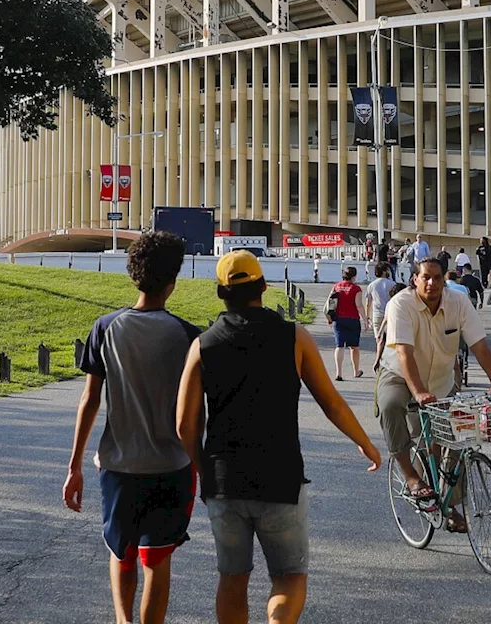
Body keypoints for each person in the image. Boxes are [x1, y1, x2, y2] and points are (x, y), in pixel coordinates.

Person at [176, 251, 381, 624]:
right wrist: (364, 442)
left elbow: (184, 424)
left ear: (221, 293)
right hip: (280, 478)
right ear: (264, 287)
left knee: (232, 579)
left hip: (224, 480)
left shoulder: (202, 345)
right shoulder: (294, 337)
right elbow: (330, 402)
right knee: (288, 577)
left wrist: (202, 468)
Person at [64, 231, 200, 624]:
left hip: (118, 467)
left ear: (132, 276)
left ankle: (123, 622)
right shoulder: (187, 336)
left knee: (121, 552)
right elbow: (195, 413)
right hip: (171, 466)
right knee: (156, 559)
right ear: (173, 282)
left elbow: (89, 400)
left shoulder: (105, 328)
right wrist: (204, 466)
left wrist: (74, 466)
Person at [376, 258, 491, 533]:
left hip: (441, 381)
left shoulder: (458, 303)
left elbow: (479, 344)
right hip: (401, 375)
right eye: (426, 277)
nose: (432, 283)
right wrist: (419, 391)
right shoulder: (401, 304)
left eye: (437, 278)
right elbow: (404, 353)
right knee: (390, 405)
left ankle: (449, 505)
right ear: (415, 279)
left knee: (453, 438)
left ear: (444, 281)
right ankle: (411, 476)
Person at [328, 266, 368, 381]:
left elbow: (331, 303)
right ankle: (356, 371)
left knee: (339, 346)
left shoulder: (336, 286)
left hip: (338, 319)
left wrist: (330, 318)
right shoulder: (356, 289)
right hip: (352, 319)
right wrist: (365, 319)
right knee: (354, 347)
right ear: (354, 276)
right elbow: (359, 305)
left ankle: (339, 372)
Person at [364, 262, 396, 339]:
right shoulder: (393, 284)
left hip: (377, 314)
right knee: (389, 339)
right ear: (385, 271)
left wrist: (367, 317)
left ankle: (379, 351)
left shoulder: (372, 285)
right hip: (390, 314)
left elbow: (368, 303)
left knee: (378, 339)